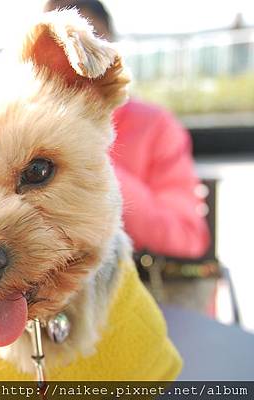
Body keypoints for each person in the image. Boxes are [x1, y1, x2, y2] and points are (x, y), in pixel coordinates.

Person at [45, 0, 210, 259]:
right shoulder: (21, 133)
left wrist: (88, 159)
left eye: (93, 40)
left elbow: (186, 236)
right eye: (50, 46)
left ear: (112, 49)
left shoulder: (156, 125)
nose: (74, 56)